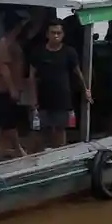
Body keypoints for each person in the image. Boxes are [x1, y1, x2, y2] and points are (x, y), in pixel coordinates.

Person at [28, 19, 90, 150]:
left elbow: (78, 73)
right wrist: (32, 98)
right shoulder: (38, 51)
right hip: (42, 98)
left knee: (60, 131)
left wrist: (85, 90)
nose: (56, 36)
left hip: (62, 98)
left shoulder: (69, 52)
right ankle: (36, 157)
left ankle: (59, 155)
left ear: (63, 34)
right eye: (53, 32)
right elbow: (32, 76)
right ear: (47, 34)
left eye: (58, 33)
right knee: (38, 131)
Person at [0, 14, 29, 158]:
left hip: (12, 85)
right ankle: (18, 148)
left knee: (5, 121)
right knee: (9, 121)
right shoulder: (4, 42)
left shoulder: (14, 42)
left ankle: (3, 148)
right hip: (2, 87)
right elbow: (4, 67)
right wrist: (12, 88)